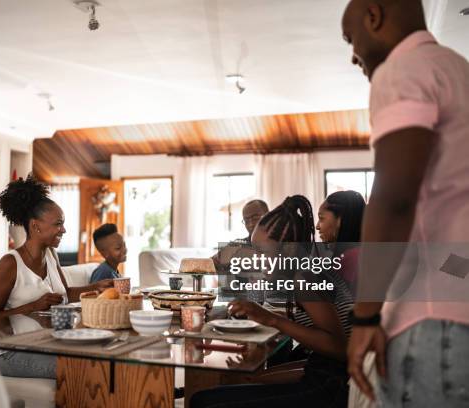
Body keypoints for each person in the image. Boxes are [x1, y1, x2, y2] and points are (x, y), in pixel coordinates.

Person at [342, 0, 469, 406]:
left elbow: (394, 196)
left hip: (431, 322)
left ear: (373, 16)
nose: (353, 55)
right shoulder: (458, 70)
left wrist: (365, 316)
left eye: (350, 38)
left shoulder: (401, 70)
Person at [191, 196, 353, 408]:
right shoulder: (303, 268)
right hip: (324, 376)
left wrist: (271, 319)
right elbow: (321, 363)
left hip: (334, 390)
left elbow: (340, 349)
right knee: (205, 397)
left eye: (261, 252)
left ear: (286, 250)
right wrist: (260, 377)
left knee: (204, 402)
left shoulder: (304, 278)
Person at [0, 175, 113, 379]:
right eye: (58, 224)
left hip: (46, 343)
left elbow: (66, 294)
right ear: (36, 226)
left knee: (106, 355)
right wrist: (33, 306)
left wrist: (97, 288)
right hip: (9, 352)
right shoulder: (10, 264)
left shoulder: (51, 255)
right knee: (83, 370)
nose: (64, 229)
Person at [316, 190, 366, 296]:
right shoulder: (349, 255)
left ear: (340, 219)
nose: (317, 226)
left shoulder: (353, 258)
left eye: (321, 218)